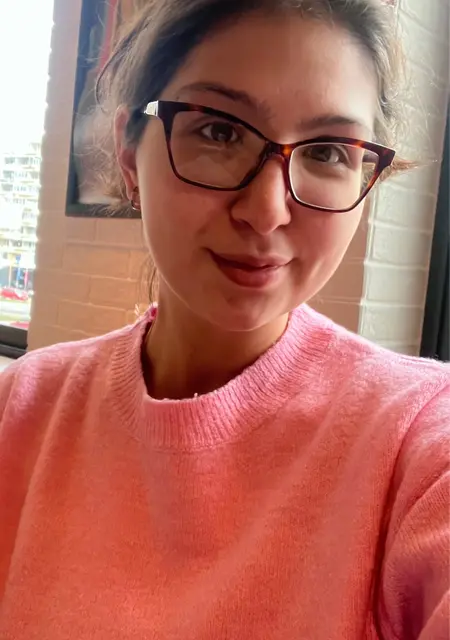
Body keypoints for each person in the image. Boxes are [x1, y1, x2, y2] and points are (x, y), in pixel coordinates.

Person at [0, 0, 448, 637]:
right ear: (129, 156)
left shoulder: (414, 436)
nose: (266, 212)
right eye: (218, 132)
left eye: (327, 151)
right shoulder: (23, 409)